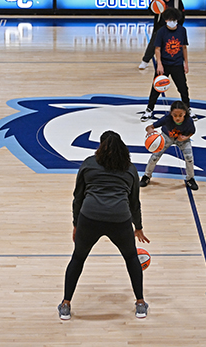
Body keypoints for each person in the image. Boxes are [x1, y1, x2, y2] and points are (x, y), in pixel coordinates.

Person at [59, 131, 150, 320]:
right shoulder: (130, 169)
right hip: (120, 219)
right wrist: (138, 226)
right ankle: (140, 303)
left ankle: (66, 304)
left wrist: (76, 223)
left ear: (100, 146)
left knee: (78, 258)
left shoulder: (89, 164)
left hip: (90, 217)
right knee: (132, 258)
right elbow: (134, 202)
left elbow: (78, 197)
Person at [140, 8, 192, 122]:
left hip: (178, 64)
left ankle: (188, 109)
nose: (172, 22)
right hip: (164, 65)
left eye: (174, 19)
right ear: (166, 20)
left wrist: (186, 63)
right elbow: (157, 49)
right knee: (156, 89)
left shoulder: (182, 30)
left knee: (183, 88)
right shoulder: (161, 31)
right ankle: (149, 110)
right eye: (169, 19)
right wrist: (159, 64)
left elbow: (184, 47)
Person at [141, 100, 198, 191]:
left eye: (180, 115)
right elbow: (149, 127)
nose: (177, 118)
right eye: (175, 115)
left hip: (183, 139)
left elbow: (192, 132)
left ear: (185, 113)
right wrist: (150, 130)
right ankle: (146, 176)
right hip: (167, 137)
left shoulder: (188, 121)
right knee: (155, 156)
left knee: (189, 158)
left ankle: (190, 178)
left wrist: (184, 138)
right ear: (171, 113)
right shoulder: (167, 118)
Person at [138, 0, 185, 70]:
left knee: (176, 44)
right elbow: (150, 11)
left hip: (174, 25)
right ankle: (145, 61)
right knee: (153, 43)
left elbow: (182, 14)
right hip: (160, 25)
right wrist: (154, 8)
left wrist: (179, 26)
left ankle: (180, 62)